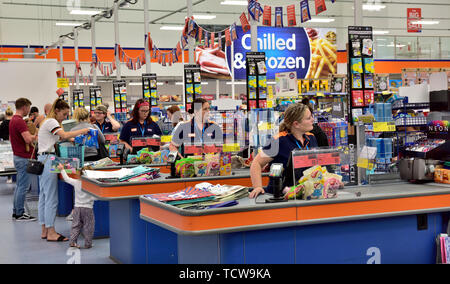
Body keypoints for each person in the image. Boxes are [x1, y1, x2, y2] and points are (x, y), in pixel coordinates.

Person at [37, 98, 89, 242]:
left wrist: (71, 140)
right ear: (57, 111)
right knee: (52, 198)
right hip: (48, 160)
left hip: (42, 159)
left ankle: (45, 230)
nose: (65, 117)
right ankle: (51, 232)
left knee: (44, 196)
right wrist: (85, 130)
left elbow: (57, 139)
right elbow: (64, 135)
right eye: (65, 114)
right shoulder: (52, 121)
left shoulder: (46, 122)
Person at [249, 103, 318, 199]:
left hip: (304, 194)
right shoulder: (278, 140)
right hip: (280, 197)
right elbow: (256, 163)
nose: (312, 120)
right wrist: (257, 187)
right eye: (308, 118)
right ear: (296, 124)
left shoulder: (311, 138)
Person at [9, 99, 37, 221]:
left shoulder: (13, 120)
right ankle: (20, 213)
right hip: (23, 157)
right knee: (23, 187)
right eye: (28, 108)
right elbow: (28, 139)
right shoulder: (19, 121)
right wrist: (36, 135)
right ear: (24, 107)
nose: (28, 111)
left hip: (18, 156)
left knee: (20, 186)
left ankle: (17, 212)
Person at [57, 163, 96, 249]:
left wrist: (62, 169)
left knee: (76, 225)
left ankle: (72, 242)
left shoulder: (76, 182)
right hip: (88, 209)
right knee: (89, 226)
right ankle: (88, 244)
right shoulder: (91, 185)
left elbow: (67, 179)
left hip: (77, 208)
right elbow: (95, 197)